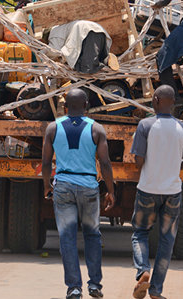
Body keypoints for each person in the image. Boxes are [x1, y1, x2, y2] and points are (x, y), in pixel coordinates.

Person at [42, 88, 115, 299]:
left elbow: (46, 162)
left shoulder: (53, 128)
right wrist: (110, 191)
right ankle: (95, 285)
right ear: (86, 107)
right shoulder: (97, 129)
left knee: (67, 238)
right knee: (92, 236)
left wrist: (47, 185)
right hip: (89, 188)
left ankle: (74, 288)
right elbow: (106, 163)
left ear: (64, 107)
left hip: (63, 186)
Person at [129, 85, 183, 299]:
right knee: (167, 240)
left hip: (148, 188)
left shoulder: (145, 125)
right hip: (172, 192)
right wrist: (174, 167)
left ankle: (143, 270)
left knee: (140, 232)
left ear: (156, 99)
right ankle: (156, 290)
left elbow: (138, 161)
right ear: (173, 101)